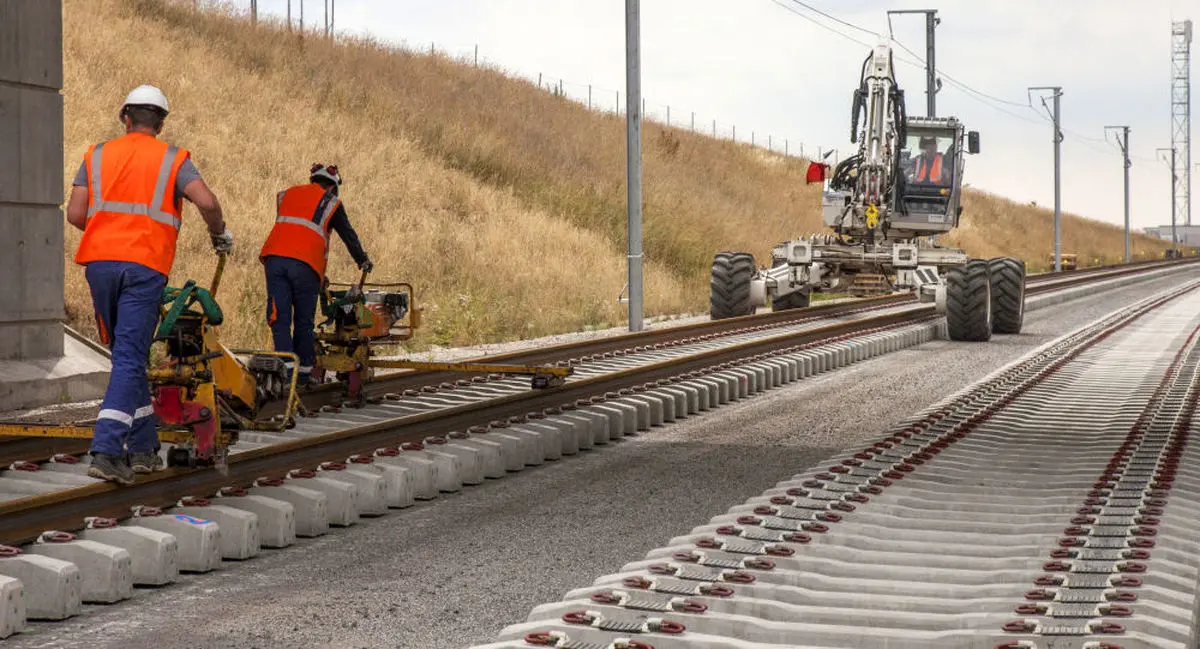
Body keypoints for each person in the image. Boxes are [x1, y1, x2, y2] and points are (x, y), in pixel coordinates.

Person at [67, 84, 233, 485]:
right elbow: (208, 203)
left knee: (127, 356)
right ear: (160, 123)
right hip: (144, 267)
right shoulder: (174, 160)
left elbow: (76, 213)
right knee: (128, 358)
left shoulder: (97, 155)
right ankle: (107, 450)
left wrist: (111, 232)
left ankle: (143, 450)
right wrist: (219, 233)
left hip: (101, 264)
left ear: (125, 117)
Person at [259, 164, 372, 387]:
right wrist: (362, 260)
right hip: (306, 267)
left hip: (275, 260)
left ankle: (285, 371)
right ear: (332, 186)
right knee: (303, 321)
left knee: (278, 317)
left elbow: (294, 232)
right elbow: (347, 234)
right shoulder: (331, 202)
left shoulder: (286, 195)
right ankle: (303, 376)